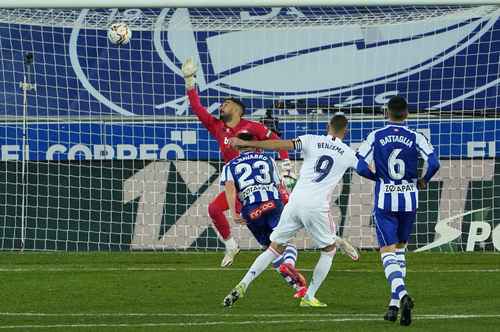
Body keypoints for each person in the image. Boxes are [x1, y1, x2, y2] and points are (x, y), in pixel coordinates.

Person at [224, 113, 375, 308]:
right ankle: (309, 296)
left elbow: (280, 145)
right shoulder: (348, 153)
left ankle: (243, 284)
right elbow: (366, 171)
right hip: (317, 207)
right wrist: (387, 178)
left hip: (294, 202)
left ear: (328, 126)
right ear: (345, 131)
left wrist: (255, 145)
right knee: (328, 250)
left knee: (274, 247)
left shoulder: (311, 140)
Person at [181, 58, 293, 267]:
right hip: (237, 188)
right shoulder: (217, 127)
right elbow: (197, 108)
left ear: (238, 109)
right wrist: (189, 81)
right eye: (222, 104)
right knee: (215, 209)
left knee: (292, 214)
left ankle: (330, 240)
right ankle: (231, 246)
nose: (221, 106)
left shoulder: (254, 127)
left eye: (226, 103)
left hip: (261, 186)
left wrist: (286, 168)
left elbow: (279, 143)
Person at [357, 96, 440, 326]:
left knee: (386, 251)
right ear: (407, 114)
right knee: (400, 250)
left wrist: (376, 177)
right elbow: (434, 163)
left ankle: (402, 294)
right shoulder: (416, 136)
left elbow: (360, 165)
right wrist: (424, 180)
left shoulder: (376, 135)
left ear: (387, 113)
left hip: (385, 201)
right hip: (409, 200)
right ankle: (393, 306)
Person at [221, 132, 307, 299]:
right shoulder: (268, 160)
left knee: (270, 249)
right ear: (254, 144)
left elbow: (230, 189)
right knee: (284, 245)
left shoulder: (230, 165)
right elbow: (278, 185)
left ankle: (298, 288)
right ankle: (288, 265)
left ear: (239, 146)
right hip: (272, 204)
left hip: (251, 212)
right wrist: (287, 202)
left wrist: (233, 211)